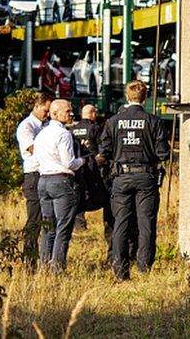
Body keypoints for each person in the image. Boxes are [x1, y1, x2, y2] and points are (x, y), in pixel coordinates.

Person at [99, 80, 170, 280]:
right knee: (146, 222)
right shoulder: (154, 121)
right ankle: (144, 267)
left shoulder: (113, 122)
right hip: (146, 177)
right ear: (144, 97)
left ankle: (120, 270)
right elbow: (163, 153)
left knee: (121, 222)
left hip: (121, 177)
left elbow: (104, 151)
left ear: (126, 97)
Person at [69, 104, 126, 264]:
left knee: (80, 201)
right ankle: (112, 250)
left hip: (78, 170)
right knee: (108, 206)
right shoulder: (95, 129)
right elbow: (104, 150)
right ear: (92, 113)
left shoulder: (72, 130)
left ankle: (79, 223)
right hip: (96, 171)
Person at [33, 100, 85, 272]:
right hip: (61, 181)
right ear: (55, 113)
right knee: (63, 227)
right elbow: (69, 162)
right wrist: (84, 160)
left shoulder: (41, 134)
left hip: (43, 180)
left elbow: (36, 159)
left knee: (48, 227)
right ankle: (57, 269)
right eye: (67, 111)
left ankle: (44, 266)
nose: (71, 114)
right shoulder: (64, 134)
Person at [15, 91, 53, 268]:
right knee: (34, 219)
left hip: (47, 174)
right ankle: (29, 259)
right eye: (45, 110)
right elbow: (31, 148)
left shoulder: (47, 125)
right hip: (33, 175)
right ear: (37, 106)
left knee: (48, 218)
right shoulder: (27, 126)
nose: (47, 114)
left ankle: (45, 257)